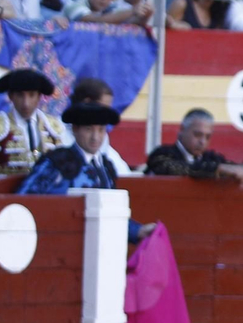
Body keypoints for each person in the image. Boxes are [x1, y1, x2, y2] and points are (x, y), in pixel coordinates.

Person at [17, 102, 155, 245]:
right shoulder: (56, 162)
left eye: (101, 130)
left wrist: (138, 231)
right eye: (89, 129)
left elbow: (110, 213)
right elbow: (23, 201)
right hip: (57, 244)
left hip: (98, 247)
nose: (95, 137)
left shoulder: (106, 167)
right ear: (75, 129)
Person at [0, 69, 70, 186]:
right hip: (2, 198)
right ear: (11, 96)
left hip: (44, 195)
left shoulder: (53, 127)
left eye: (31, 95)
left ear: (39, 97)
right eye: (20, 95)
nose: (26, 103)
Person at [145, 108, 243, 186]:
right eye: (197, 135)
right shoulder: (161, 154)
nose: (202, 142)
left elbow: (238, 167)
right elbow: (180, 169)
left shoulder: (211, 158)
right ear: (182, 130)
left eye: (208, 137)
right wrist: (218, 169)